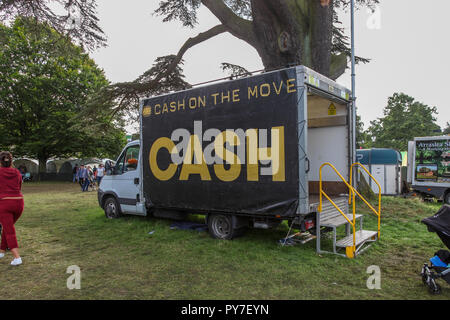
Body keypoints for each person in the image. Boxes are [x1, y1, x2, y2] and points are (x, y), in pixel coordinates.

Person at [0, 151, 24, 266]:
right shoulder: (17, 172)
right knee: (7, 227)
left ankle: (17, 257)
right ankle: (2, 250)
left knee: (9, 231)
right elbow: (19, 186)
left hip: (5, 204)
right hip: (19, 203)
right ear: (11, 161)